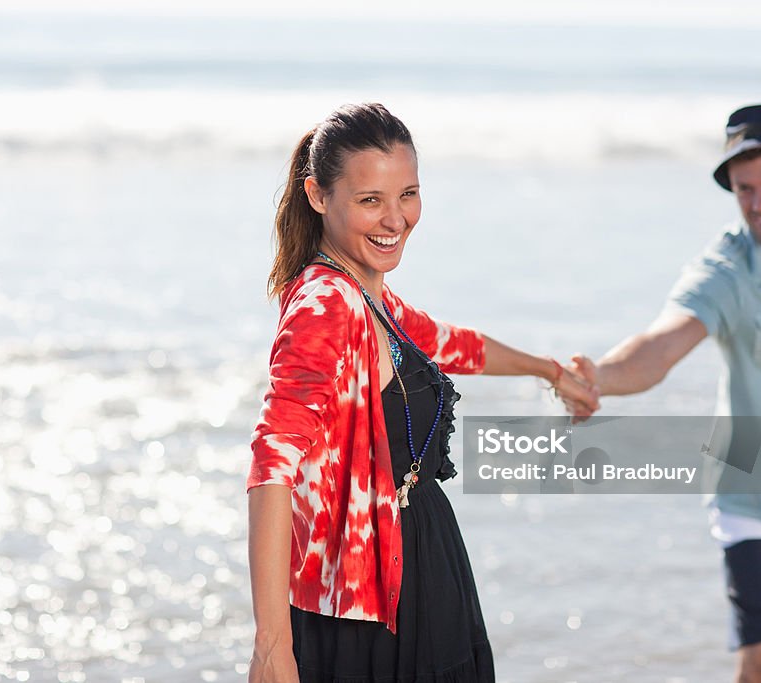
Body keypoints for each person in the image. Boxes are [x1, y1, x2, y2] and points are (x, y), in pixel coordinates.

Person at [247, 102, 599, 683]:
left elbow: (453, 344)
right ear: (317, 195)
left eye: (408, 194)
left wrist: (553, 373)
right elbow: (271, 465)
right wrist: (271, 648)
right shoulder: (326, 305)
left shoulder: (369, 298)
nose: (395, 219)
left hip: (417, 563)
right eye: (370, 201)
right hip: (372, 602)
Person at [566, 104, 761, 683]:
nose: (760, 204)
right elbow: (660, 346)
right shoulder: (726, 270)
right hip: (751, 490)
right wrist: (597, 378)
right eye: (744, 189)